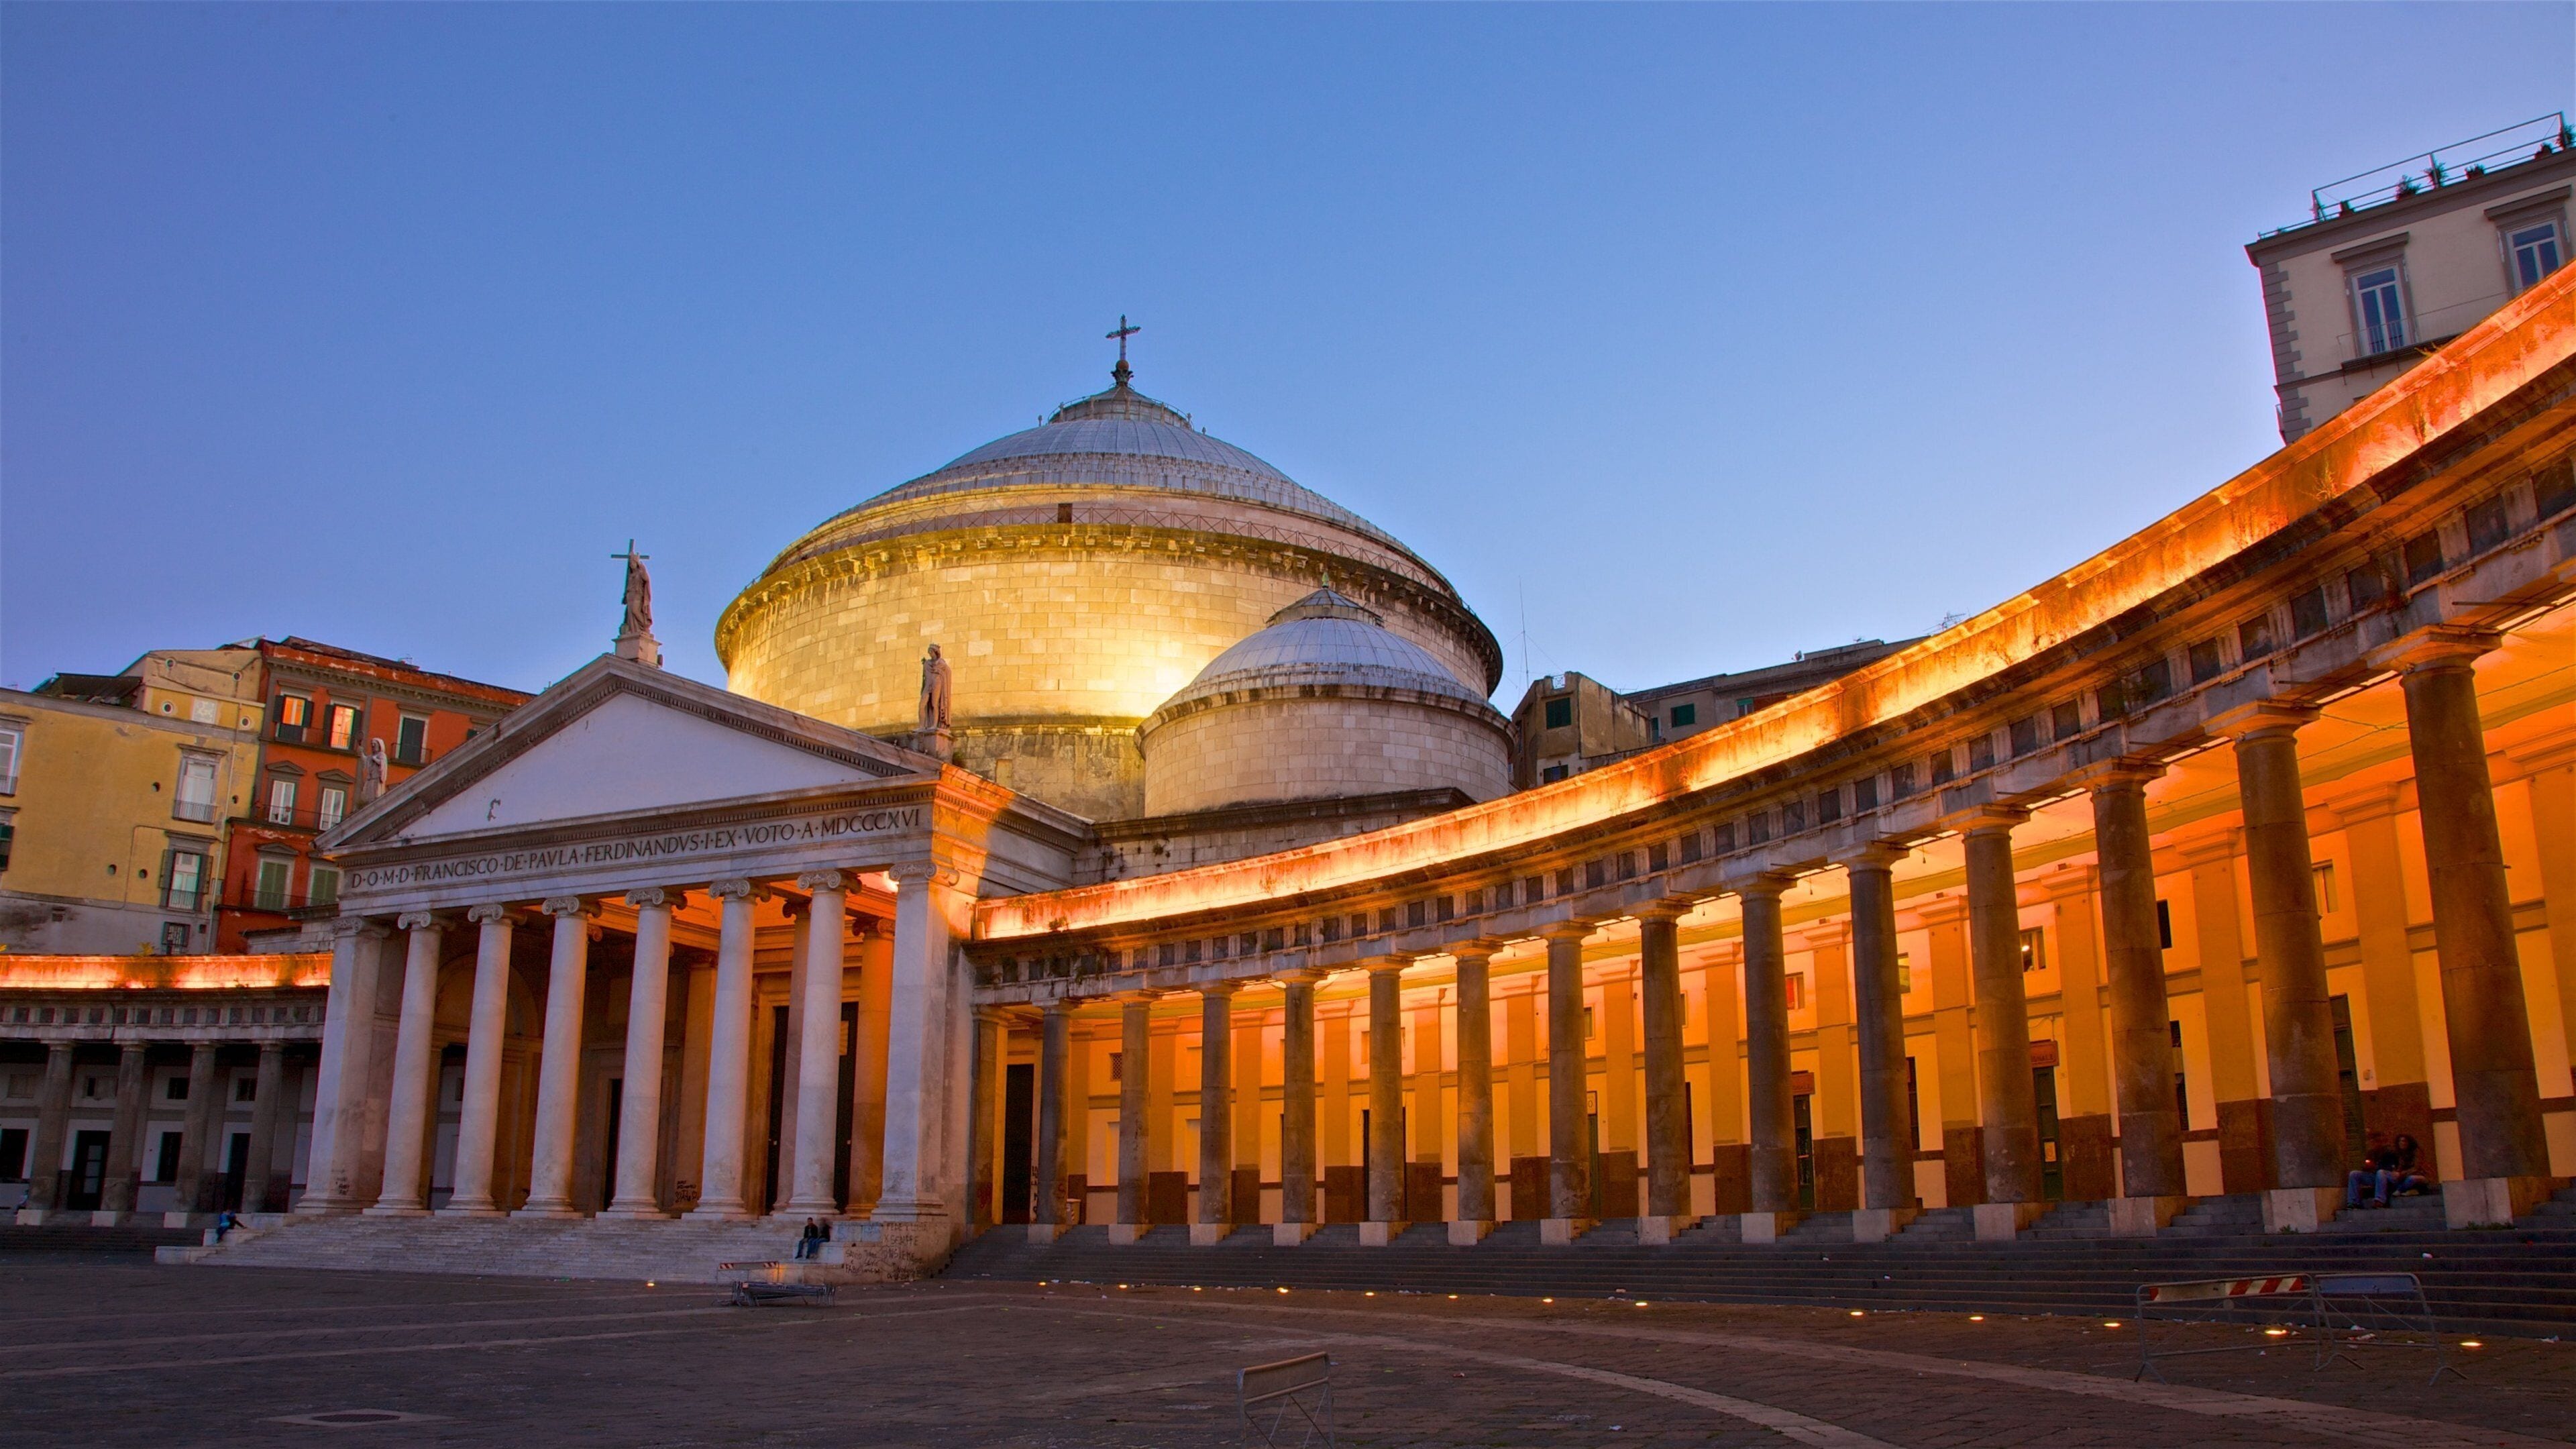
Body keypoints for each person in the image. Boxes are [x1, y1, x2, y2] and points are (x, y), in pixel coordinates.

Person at [2345, 1132, 2395, 1208]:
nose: (2375, 1144)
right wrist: (2367, 1167)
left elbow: (2390, 1168)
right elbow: (2368, 1166)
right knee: (2354, 1174)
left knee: (2380, 1173)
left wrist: (2376, 1167)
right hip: (2374, 1175)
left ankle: (2380, 1201)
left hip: (2386, 1176)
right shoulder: (2371, 1153)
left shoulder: (2390, 1152)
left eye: (2377, 1142)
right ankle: (2353, 1202)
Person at [2385, 1134, 2432, 1198]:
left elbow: (2417, 1168)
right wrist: (2396, 1173)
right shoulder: (2401, 1154)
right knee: (2385, 1174)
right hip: (2406, 1176)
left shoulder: (2417, 1152)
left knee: (2411, 1179)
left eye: (2404, 1141)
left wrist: (2402, 1174)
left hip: (2420, 1175)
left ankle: (2399, 1191)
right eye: (2400, 1141)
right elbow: (2401, 1166)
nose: (2402, 1143)